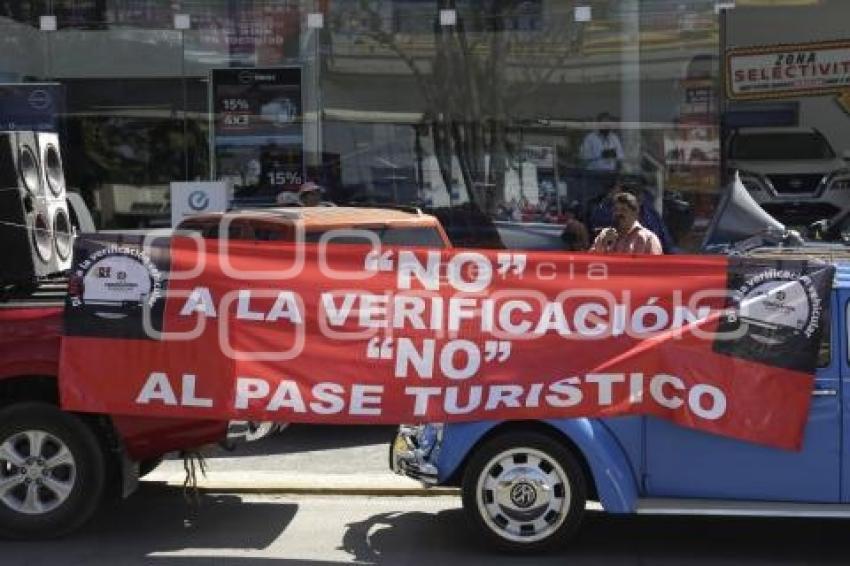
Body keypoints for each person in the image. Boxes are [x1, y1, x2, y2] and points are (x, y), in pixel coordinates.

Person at [588, 177, 675, 252]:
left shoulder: (650, 232)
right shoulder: (604, 219)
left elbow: (667, 247)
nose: (619, 213)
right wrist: (604, 244)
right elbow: (592, 260)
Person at [590, 192, 663, 255]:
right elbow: (591, 262)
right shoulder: (604, 235)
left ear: (635, 212)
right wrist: (603, 244)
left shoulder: (648, 239)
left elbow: (655, 267)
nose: (618, 213)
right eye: (616, 210)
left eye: (623, 210)